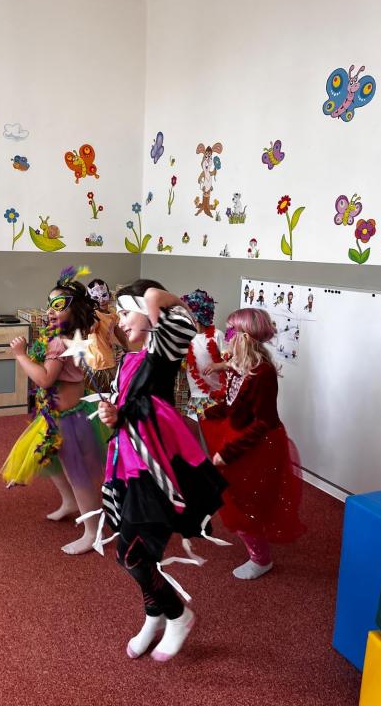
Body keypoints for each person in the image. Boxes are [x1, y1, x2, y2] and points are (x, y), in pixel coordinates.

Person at [97, 280, 227, 662]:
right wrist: (113, 415)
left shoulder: (161, 350)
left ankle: (178, 614)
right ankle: (154, 615)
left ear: (150, 314)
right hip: (128, 465)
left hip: (155, 472)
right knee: (139, 551)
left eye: (126, 312)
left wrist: (158, 298)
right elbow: (126, 410)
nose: (121, 321)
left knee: (131, 553)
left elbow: (186, 321)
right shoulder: (129, 361)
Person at [0, 267, 105, 555]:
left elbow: (45, 379)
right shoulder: (64, 336)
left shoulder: (60, 342)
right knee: (51, 462)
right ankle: (70, 503)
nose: (50, 310)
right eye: (49, 304)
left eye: (59, 305)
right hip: (55, 416)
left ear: (75, 309)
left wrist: (20, 355)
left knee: (78, 477)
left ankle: (92, 532)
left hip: (70, 420)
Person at [200, 307, 305, 580]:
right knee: (237, 496)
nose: (227, 337)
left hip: (257, 444)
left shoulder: (263, 373)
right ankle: (256, 546)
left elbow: (263, 422)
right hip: (240, 435)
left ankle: (261, 559)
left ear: (244, 337)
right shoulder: (239, 365)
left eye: (231, 332)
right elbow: (233, 403)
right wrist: (212, 412)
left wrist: (229, 452)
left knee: (245, 501)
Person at [180, 289, 226, 422]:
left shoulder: (217, 335)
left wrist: (218, 365)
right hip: (195, 397)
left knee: (214, 432)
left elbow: (232, 363)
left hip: (216, 397)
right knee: (194, 432)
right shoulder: (185, 337)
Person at [85, 278, 128, 392]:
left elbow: (120, 335)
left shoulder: (113, 315)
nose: (101, 300)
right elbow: (90, 328)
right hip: (96, 365)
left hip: (110, 362)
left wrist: (126, 350)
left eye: (104, 295)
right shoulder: (94, 315)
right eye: (95, 298)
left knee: (112, 395)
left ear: (109, 294)